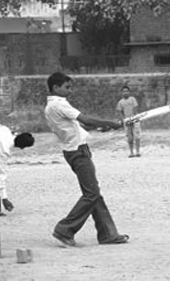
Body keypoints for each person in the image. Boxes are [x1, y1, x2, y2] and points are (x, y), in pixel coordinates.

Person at [45, 72, 129, 246]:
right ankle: (65, 229)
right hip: (78, 151)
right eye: (67, 87)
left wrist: (103, 126)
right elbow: (86, 118)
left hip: (74, 150)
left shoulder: (51, 107)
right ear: (55, 88)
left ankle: (107, 234)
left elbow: (80, 125)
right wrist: (111, 123)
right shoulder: (59, 105)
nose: (70, 90)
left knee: (93, 193)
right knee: (91, 194)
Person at [116, 85, 141, 157]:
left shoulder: (132, 99)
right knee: (130, 137)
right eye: (123, 91)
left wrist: (134, 117)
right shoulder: (120, 102)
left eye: (126, 91)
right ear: (121, 93)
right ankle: (131, 152)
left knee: (137, 136)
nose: (125, 93)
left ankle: (138, 151)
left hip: (135, 120)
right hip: (127, 121)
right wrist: (124, 120)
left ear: (129, 92)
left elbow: (135, 108)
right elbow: (120, 112)